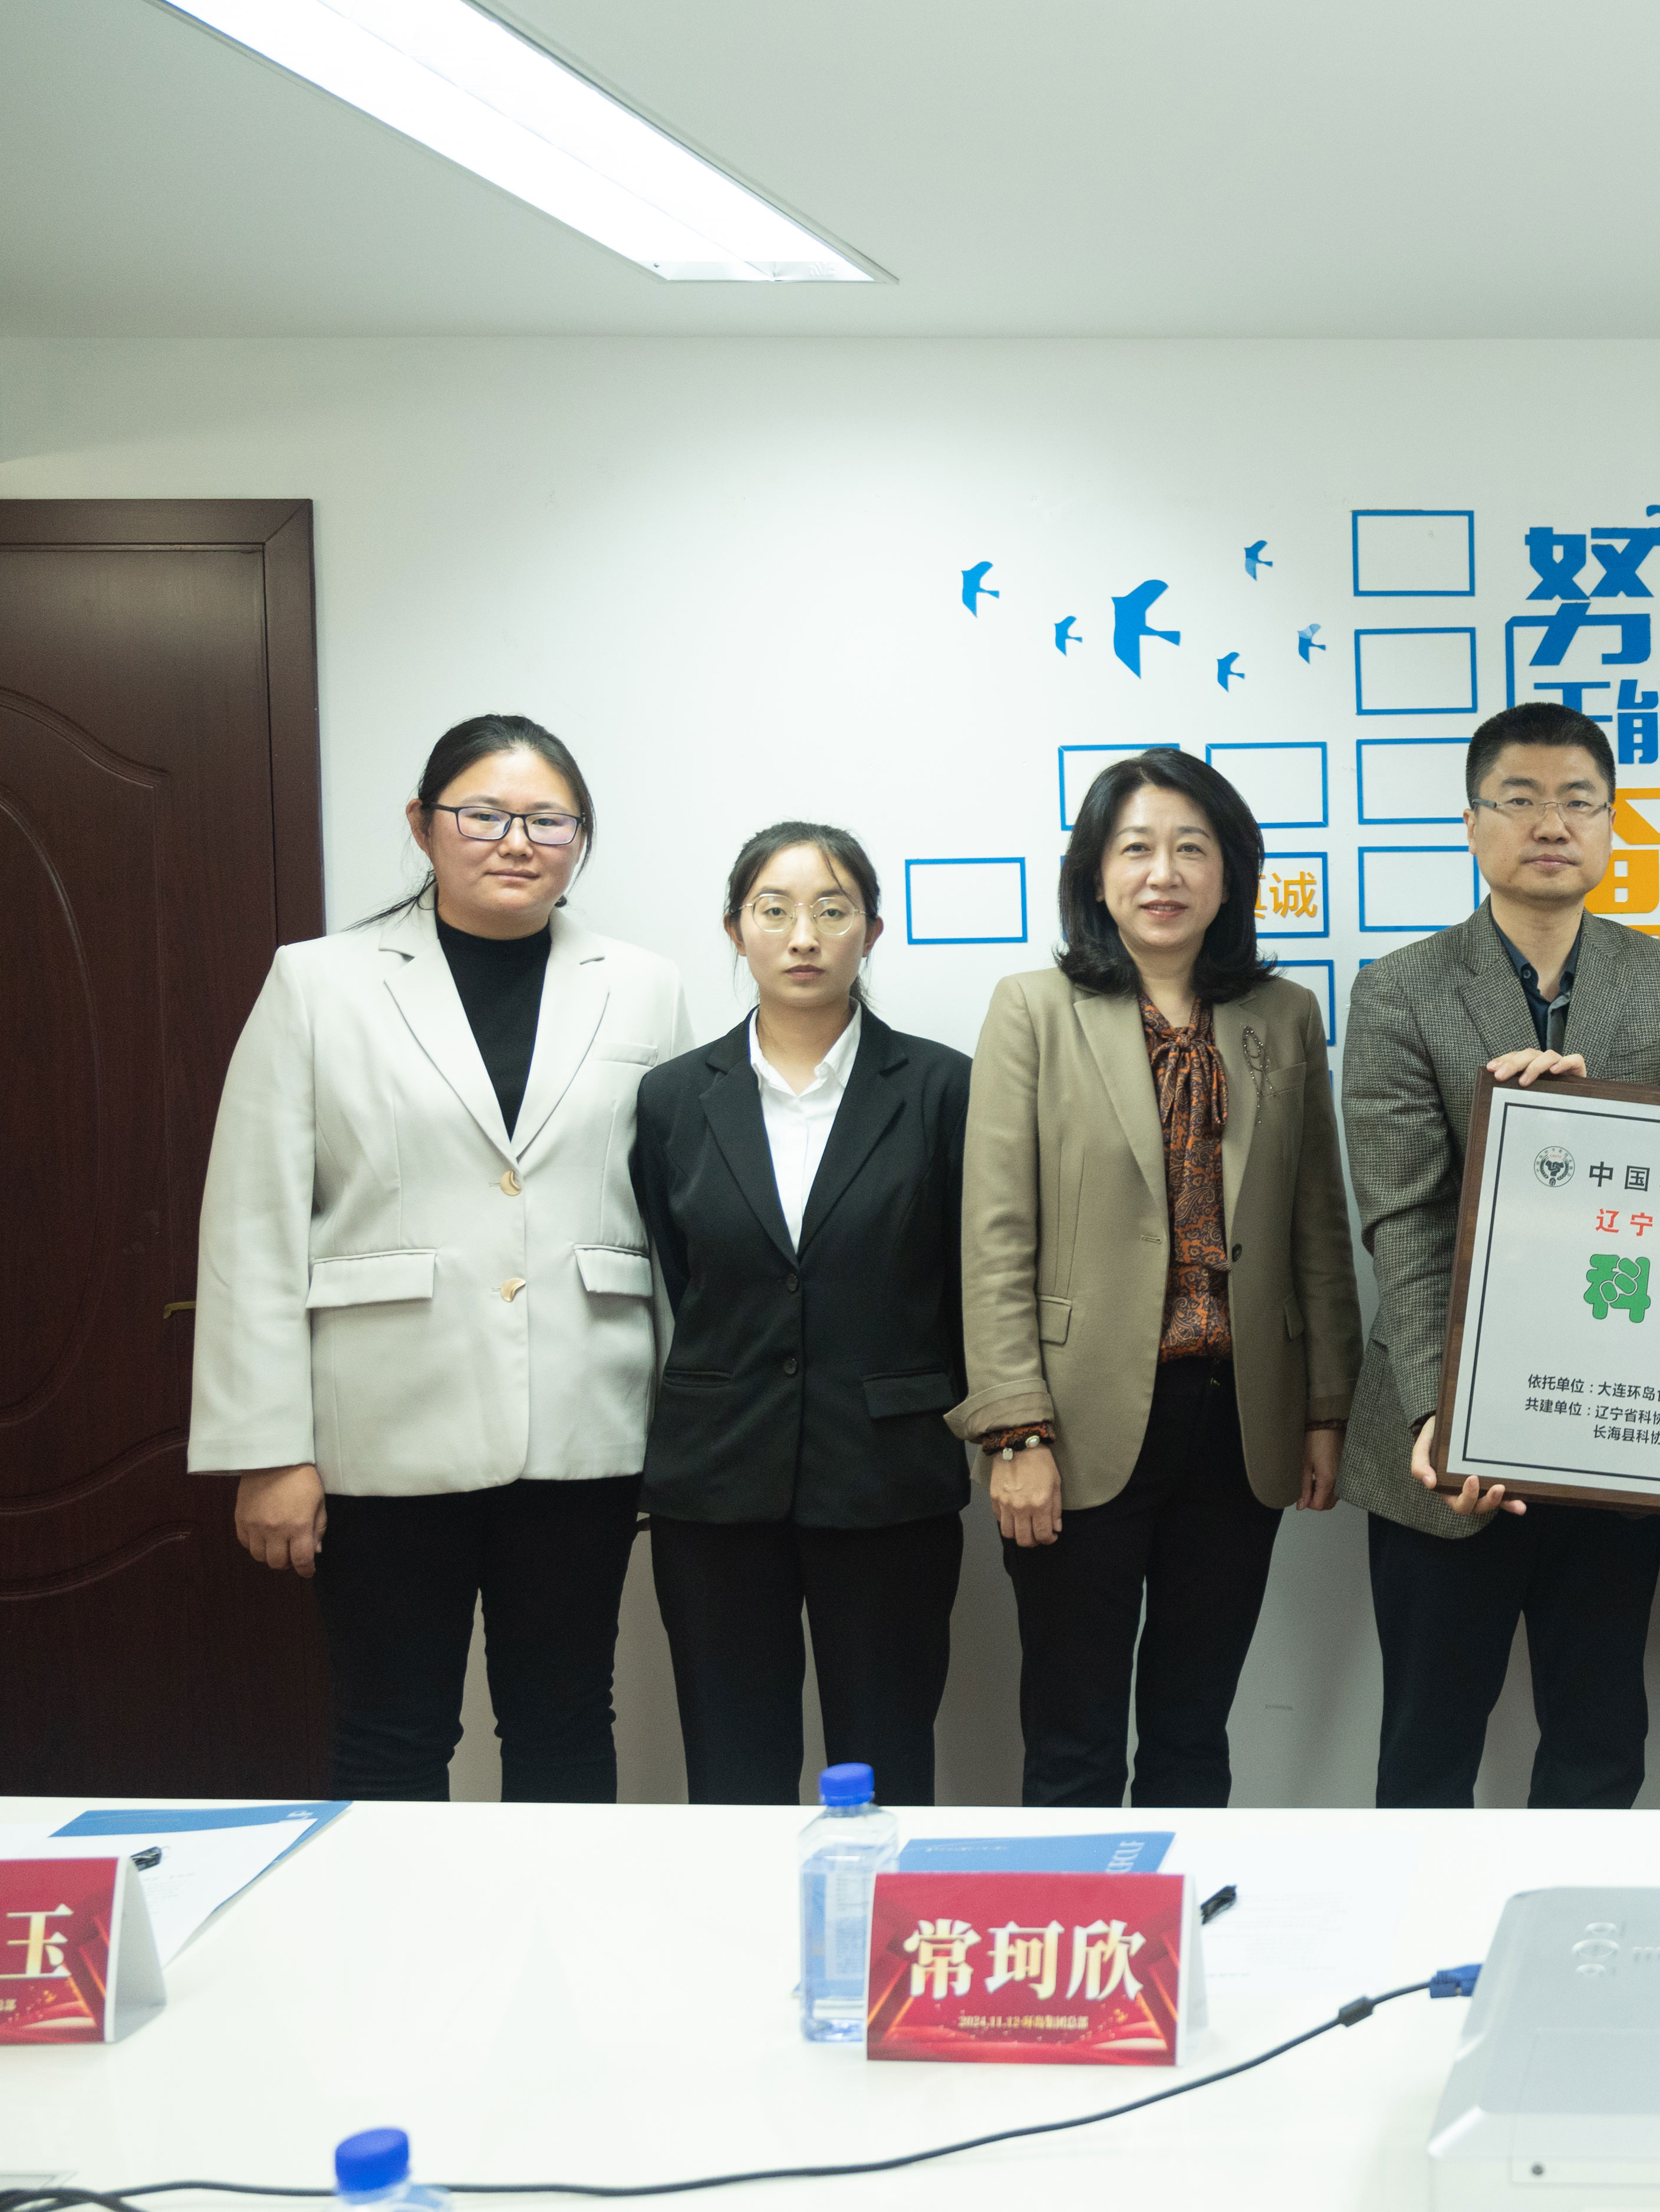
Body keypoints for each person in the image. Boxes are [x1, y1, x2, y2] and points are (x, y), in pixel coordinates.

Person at [192, 714, 691, 1800]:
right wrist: (266, 1450)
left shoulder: (645, 987)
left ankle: (554, 1915)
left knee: (566, 1718)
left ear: (581, 839)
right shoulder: (318, 983)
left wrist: (683, 1427)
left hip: (585, 1420)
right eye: (484, 815)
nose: (517, 842)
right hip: (382, 1426)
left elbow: (676, 1217)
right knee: (393, 1730)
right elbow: (252, 1225)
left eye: (548, 821)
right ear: (423, 826)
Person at [1338, 702, 1660, 1807]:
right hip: (1441, 1449)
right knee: (1428, 1747)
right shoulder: (1401, 987)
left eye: (1577, 802)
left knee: (1601, 1738)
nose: (1551, 824)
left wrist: (1594, 1125)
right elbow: (1405, 1221)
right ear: (1473, 824)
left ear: (1611, 825)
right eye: (1520, 800)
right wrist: (1442, 1413)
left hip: (1612, 1431)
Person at [953, 749, 1359, 1806]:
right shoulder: (1033, 1009)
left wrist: (1326, 1411)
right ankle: (1081, 1916)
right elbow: (995, 1235)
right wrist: (1014, 1432)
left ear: (1230, 877)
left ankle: (1180, 1916)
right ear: (1096, 875)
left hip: (1239, 1421)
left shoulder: (1282, 1014)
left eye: (1192, 849)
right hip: (1075, 1423)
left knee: (1192, 1731)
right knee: (1074, 1738)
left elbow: (1318, 1224)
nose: (1163, 873)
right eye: (1135, 849)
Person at [628, 822, 970, 1806]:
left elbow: (966, 1280)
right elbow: (681, 1271)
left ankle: (886, 1915)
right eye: (773, 911)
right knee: (733, 1767)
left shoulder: (943, 1087)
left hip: (887, 1476)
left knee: (889, 1754)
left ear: (873, 931)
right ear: (735, 931)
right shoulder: (673, 1099)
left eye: (832, 910)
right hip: (717, 1480)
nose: (804, 936)